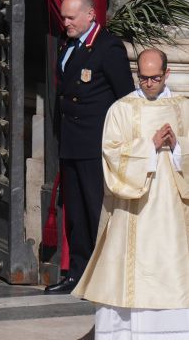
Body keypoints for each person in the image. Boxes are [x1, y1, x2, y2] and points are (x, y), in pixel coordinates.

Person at [73, 48, 189, 338]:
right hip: (132, 213)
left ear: (167, 74)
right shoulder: (121, 109)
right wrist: (148, 146)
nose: (148, 83)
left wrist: (177, 147)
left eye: (155, 78)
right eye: (143, 77)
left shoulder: (183, 107)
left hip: (172, 214)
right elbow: (110, 155)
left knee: (173, 277)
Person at [45, 0, 134, 294]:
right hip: (71, 142)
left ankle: (106, 278)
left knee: (97, 211)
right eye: (63, 16)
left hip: (96, 145)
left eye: (71, 17)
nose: (65, 22)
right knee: (77, 214)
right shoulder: (67, 41)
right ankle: (78, 275)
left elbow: (126, 98)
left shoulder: (108, 48)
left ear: (90, 15)